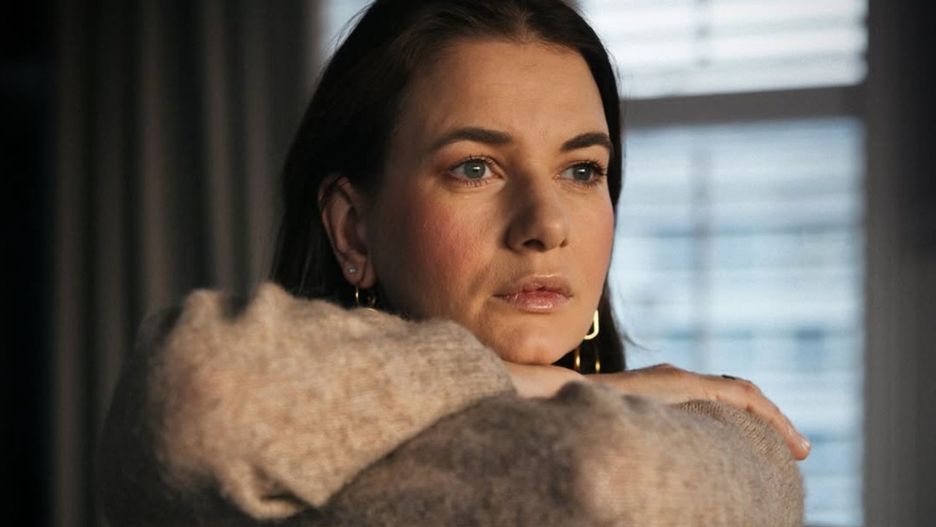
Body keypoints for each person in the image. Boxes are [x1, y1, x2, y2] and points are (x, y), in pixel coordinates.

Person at [98, 0, 809, 525]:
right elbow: (198, 393)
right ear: (353, 231)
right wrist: (554, 385)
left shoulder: (729, 434)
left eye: (582, 170)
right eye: (475, 167)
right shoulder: (222, 436)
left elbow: (619, 480)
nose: (546, 225)